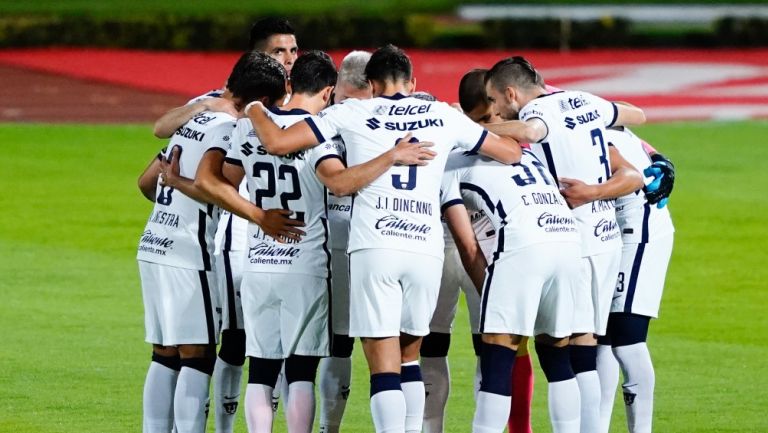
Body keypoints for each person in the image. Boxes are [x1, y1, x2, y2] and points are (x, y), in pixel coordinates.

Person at [242, 44, 521, 433]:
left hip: (375, 246)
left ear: (370, 84)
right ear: (413, 82)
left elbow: (278, 143)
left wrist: (254, 107)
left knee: (382, 363)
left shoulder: (351, 111)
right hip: (424, 247)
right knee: (410, 359)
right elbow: (510, 153)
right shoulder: (441, 114)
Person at [193, 50, 436, 433]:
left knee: (261, 368)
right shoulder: (322, 132)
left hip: (257, 259)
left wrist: (256, 215)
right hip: (305, 261)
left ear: (291, 85)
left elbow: (219, 180)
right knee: (302, 369)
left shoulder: (248, 128)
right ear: (327, 92)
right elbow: (339, 182)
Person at [484, 56, 646, 433]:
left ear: (511, 92)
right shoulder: (586, 101)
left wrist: (468, 126)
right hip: (606, 238)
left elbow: (531, 130)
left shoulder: (538, 113)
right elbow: (635, 114)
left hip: (573, 239)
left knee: (562, 349)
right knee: (585, 343)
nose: (495, 109)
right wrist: (595, 191)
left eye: (495, 101)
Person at [136, 50, 281, 433]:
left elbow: (146, 182)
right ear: (262, 102)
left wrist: (176, 195)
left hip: (154, 242)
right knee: (197, 356)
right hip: (190, 251)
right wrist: (257, 215)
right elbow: (212, 184)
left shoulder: (196, 117)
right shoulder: (231, 130)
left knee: (164, 355)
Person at [589, 127, 675, 433]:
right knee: (603, 338)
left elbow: (630, 175)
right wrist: (655, 154)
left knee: (627, 341)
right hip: (612, 231)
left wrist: (586, 194)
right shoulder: (573, 109)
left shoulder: (547, 118)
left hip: (639, 231)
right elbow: (628, 114)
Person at [318, 49, 372, 433]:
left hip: (317, 239)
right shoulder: (385, 119)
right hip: (373, 238)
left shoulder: (319, 118)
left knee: (324, 345)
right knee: (397, 347)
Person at [152, 17, 299, 139]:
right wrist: (205, 104)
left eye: (293, 51)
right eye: (279, 52)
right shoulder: (218, 99)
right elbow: (160, 129)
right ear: (256, 56)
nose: (290, 59)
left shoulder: (303, 104)